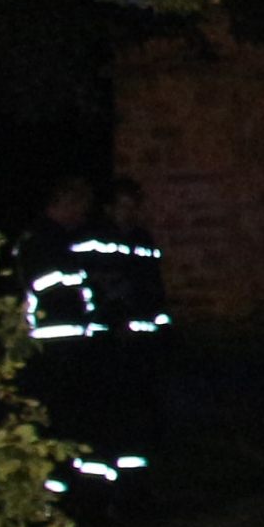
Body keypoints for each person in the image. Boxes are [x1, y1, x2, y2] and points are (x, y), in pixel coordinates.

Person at [11, 176, 118, 500]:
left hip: (66, 348)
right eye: (80, 208)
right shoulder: (43, 244)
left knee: (70, 423)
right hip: (53, 351)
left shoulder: (56, 243)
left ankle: (71, 494)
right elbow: (52, 296)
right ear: (64, 204)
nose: (82, 217)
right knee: (57, 424)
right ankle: (54, 497)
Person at [84, 176, 170, 486]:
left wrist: (158, 327)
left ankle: (136, 487)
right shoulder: (95, 240)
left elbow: (153, 288)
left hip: (142, 345)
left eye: (135, 206)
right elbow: (99, 287)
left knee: (139, 416)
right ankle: (100, 489)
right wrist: (115, 322)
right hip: (108, 342)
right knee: (109, 413)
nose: (131, 212)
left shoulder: (143, 240)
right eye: (124, 206)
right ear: (109, 208)